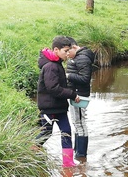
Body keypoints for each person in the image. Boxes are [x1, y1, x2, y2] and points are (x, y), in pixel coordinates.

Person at [36, 36, 80, 167]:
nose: (67, 54)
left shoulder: (56, 63)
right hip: (49, 108)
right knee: (46, 132)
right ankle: (28, 150)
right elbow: (53, 88)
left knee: (66, 132)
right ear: (56, 49)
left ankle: (68, 163)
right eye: (65, 51)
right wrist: (72, 94)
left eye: (68, 51)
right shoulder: (50, 66)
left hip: (59, 107)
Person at [65, 36, 95, 159]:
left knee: (81, 124)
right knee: (76, 123)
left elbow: (84, 79)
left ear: (74, 47)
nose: (67, 54)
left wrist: (68, 75)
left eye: (68, 51)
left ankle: (81, 155)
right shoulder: (77, 57)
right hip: (74, 94)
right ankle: (77, 152)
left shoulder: (82, 58)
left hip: (80, 96)